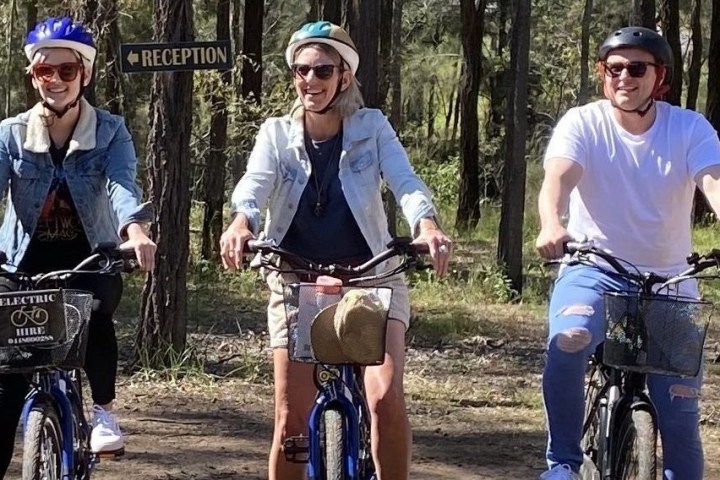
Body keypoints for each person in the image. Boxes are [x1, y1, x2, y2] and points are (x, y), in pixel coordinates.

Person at [219, 20, 451, 480]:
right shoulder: (276, 134)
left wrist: (426, 224)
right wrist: (242, 221)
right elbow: (255, 183)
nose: (310, 80)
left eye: (323, 70)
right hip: (295, 278)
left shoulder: (372, 127)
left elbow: (404, 182)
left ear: (344, 76)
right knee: (291, 418)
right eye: (301, 70)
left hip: (371, 276)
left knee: (383, 397)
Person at [535, 26, 720, 480]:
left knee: (679, 422)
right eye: (613, 68)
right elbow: (557, 181)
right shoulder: (583, 123)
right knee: (569, 339)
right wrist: (552, 224)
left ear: (661, 78)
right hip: (594, 269)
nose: (623, 77)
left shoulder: (689, 128)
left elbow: (713, 182)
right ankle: (562, 464)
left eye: (636, 68)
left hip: (670, 281)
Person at [0, 16, 156, 476]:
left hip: (91, 256)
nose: (55, 80)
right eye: (45, 71)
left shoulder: (109, 131)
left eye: (67, 71)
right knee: (8, 381)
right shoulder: (10, 133)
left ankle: (104, 411)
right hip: (22, 263)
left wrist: (135, 233)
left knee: (94, 312)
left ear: (84, 74)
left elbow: (121, 185)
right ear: (33, 75)